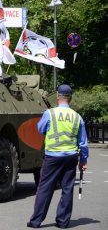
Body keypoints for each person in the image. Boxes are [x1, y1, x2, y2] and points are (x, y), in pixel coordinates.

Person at [27, 84, 89, 229]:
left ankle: (36, 221)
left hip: (52, 156)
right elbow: (83, 142)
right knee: (67, 189)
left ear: (57, 97)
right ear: (70, 98)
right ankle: (63, 222)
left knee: (45, 188)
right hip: (71, 156)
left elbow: (40, 129)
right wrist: (84, 160)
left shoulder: (49, 113)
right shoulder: (77, 116)